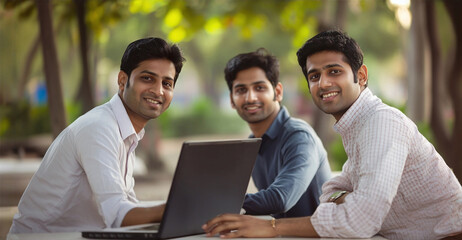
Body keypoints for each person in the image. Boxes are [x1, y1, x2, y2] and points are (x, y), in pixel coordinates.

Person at [202, 30, 462, 240]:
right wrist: (349, 197)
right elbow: (331, 192)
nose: (323, 83)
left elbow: (359, 222)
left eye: (334, 71)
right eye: (314, 76)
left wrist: (271, 228)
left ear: (361, 76)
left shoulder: (381, 122)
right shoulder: (357, 126)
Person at [9, 37, 186, 233]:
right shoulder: (99, 128)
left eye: (167, 83)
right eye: (147, 78)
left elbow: (128, 207)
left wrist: (185, 207)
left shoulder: (126, 132)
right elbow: (118, 215)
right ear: (122, 81)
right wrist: (179, 207)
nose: (158, 90)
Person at [223, 48, 331, 219]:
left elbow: (280, 199)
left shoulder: (299, 137)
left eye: (259, 87)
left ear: (278, 92)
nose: (250, 98)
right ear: (231, 100)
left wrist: (217, 203)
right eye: (241, 90)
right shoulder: (253, 144)